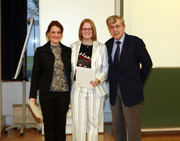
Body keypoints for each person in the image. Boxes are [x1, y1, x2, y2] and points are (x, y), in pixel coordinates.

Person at [105, 15, 152, 141]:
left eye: (118, 26)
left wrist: (138, 83)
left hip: (132, 92)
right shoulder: (107, 45)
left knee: (133, 128)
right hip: (115, 92)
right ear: (109, 29)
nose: (115, 30)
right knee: (117, 127)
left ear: (124, 26)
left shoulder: (135, 42)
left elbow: (148, 64)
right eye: (112, 27)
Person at [29, 21, 71, 141]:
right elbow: (35, 75)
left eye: (58, 32)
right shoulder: (40, 51)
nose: (56, 35)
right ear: (48, 34)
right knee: (49, 126)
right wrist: (32, 95)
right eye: (53, 32)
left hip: (64, 94)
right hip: (47, 94)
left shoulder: (68, 51)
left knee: (60, 126)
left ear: (61, 34)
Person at [70, 18, 109, 141]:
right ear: (81, 31)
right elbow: (70, 69)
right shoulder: (73, 47)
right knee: (78, 123)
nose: (87, 31)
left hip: (95, 89)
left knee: (93, 124)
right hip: (78, 89)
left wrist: (98, 79)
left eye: (89, 28)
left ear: (93, 30)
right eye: (84, 29)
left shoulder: (102, 47)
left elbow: (106, 68)